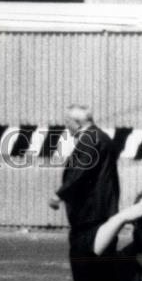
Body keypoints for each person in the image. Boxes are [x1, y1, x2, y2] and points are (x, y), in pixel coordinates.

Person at [48, 104, 121, 251]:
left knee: (85, 260)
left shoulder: (89, 140)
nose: (66, 127)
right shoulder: (101, 137)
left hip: (90, 213)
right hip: (102, 209)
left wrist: (59, 195)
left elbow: (79, 173)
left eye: (67, 122)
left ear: (77, 123)